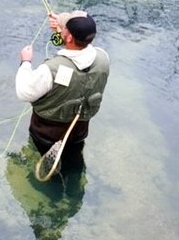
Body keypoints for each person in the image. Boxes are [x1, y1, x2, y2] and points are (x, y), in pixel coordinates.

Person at [16, 11, 110, 170]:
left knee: (48, 168)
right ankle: (74, 189)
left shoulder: (50, 70)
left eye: (64, 29)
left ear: (70, 37)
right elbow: (75, 50)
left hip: (47, 135)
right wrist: (60, 33)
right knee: (74, 163)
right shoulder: (103, 57)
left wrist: (25, 62)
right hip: (79, 131)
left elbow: (24, 92)